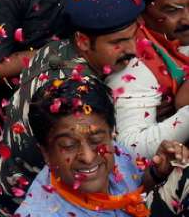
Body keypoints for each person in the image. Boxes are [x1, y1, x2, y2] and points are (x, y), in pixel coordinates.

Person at [0, 0, 144, 216]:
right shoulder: (77, 95)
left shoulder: (54, 50)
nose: (132, 49)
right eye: (118, 43)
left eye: (133, 37)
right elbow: (103, 157)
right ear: (82, 41)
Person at [17, 78, 189, 217]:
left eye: (96, 140)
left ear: (111, 133)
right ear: (46, 153)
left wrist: (155, 174)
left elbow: (132, 188)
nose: (88, 157)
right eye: (68, 145)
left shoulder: (118, 153)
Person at [104, 0, 189, 158]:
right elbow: (130, 147)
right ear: (141, 12)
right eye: (173, 10)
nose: (187, 18)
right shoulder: (134, 64)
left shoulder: (176, 32)